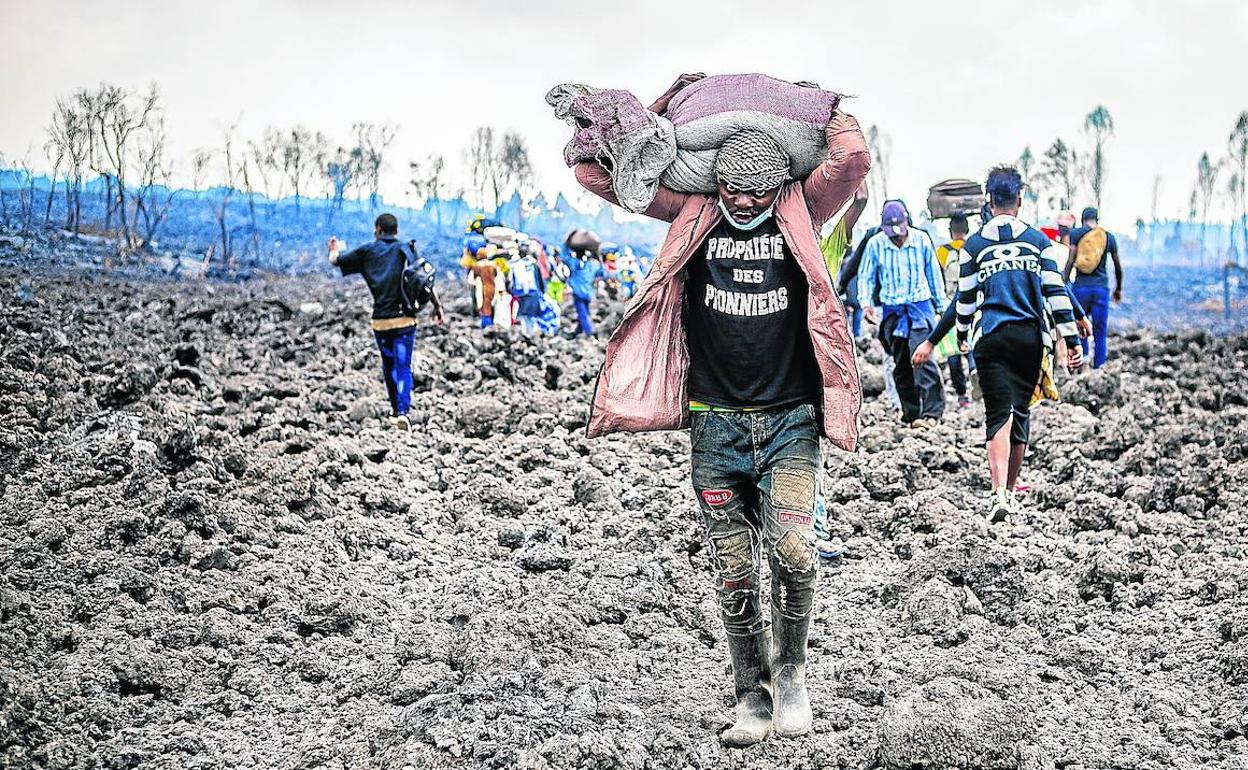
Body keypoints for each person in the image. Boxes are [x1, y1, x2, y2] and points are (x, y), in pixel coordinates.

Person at [571, 72, 869, 746]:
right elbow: (598, 171)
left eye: (755, 191)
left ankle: (790, 672)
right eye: (731, 187)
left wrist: (823, 105)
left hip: (791, 419)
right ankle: (751, 698)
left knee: (794, 549)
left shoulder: (801, 204)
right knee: (734, 573)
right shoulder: (695, 208)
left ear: (778, 186)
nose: (741, 200)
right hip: (716, 424)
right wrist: (664, 112)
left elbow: (852, 159)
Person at [952, 167, 1081, 519]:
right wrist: (1070, 339)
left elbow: (965, 299)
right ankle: (1010, 491)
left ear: (989, 201)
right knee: (1020, 413)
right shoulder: (1039, 242)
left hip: (991, 337)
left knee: (998, 415)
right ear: (1019, 201)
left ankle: (997, 496)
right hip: (1029, 338)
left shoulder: (975, 244)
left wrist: (962, 335)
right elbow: (1056, 293)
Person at [328, 213, 445, 430]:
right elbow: (424, 280)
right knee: (403, 366)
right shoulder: (406, 249)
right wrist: (437, 307)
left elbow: (335, 261)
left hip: (381, 322)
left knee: (389, 364)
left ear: (378, 229)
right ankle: (402, 411)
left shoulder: (367, 251)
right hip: (405, 320)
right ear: (396, 230)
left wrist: (333, 248)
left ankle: (394, 410)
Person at [858, 200, 946, 428]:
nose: (897, 237)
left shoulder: (921, 240)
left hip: (919, 309)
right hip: (893, 313)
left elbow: (933, 275)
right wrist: (866, 303)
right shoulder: (876, 244)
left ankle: (932, 414)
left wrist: (941, 308)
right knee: (901, 365)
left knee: (923, 360)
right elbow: (866, 277)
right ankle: (912, 414)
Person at [1063, 206, 1123, 368]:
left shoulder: (1076, 234)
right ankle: (1099, 367)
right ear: (1097, 220)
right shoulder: (1108, 237)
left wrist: (1062, 283)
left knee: (1081, 327)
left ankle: (1083, 360)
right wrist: (1118, 288)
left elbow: (1070, 260)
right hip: (1101, 290)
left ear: (1083, 220)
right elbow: (1117, 265)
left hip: (1080, 289)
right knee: (1100, 332)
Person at [935, 214, 973, 408]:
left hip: (950, 306)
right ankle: (977, 380)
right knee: (973, 346)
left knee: (953, 353)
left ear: (950, 231)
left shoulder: (941, 252)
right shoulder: (974, 247)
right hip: (974, 305)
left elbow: (938, 280)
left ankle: (962, 395)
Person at [566, 247, 607, 335]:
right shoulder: (593, 265)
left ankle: (590, 332)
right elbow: (603, 273)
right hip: (588, 293)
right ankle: (578, 331)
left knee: (582, 313)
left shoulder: (575, 264)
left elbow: (565, 258)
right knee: (585, 312)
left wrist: (567, 245)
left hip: (578, 292)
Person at [510, 243, 547, 334]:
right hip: (533, 292)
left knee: (523, 314)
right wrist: (542, 291)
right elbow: (539, 279)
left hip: (521, 293)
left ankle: (525, 332)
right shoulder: (533, 264)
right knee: (532, 314)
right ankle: (531, 332)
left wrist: (513, 292)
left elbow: (512, 281)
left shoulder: (516, 265)